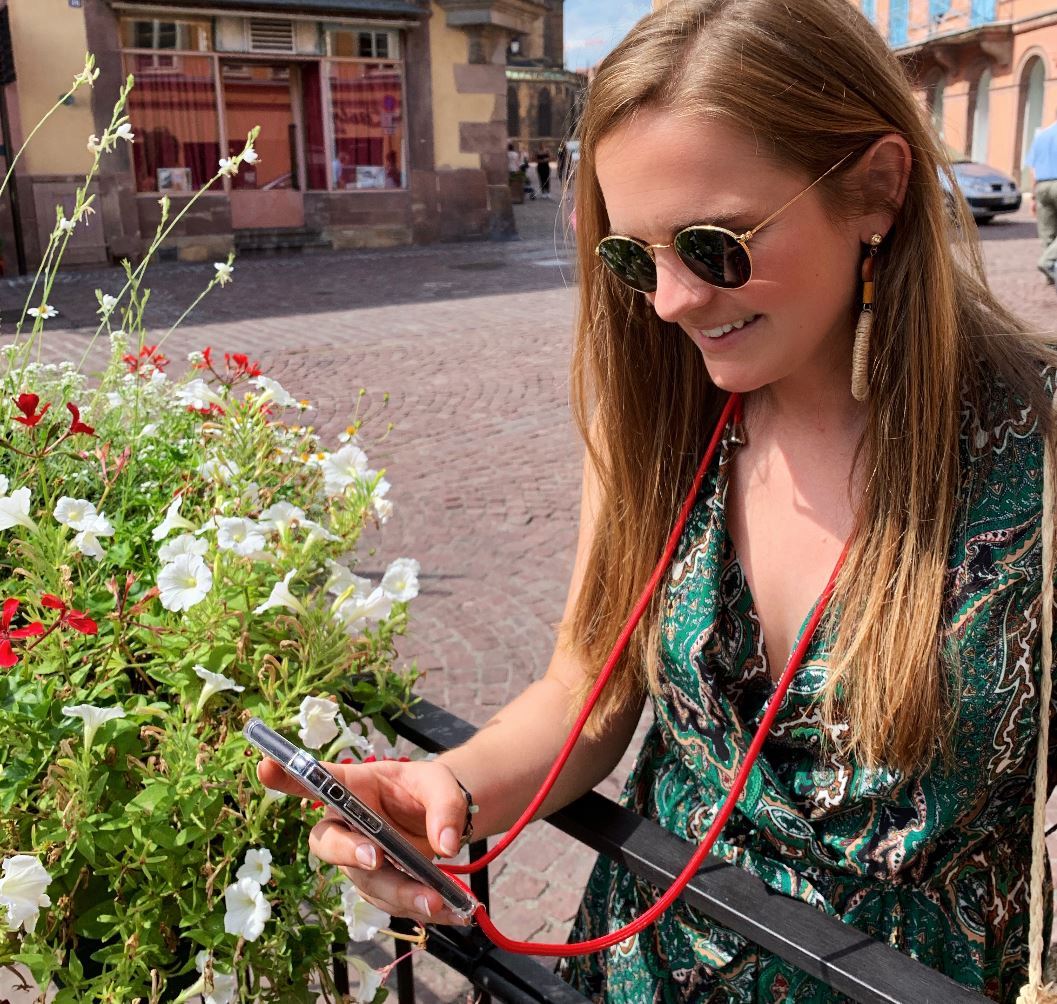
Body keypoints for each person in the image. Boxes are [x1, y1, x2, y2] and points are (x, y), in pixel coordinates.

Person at [260, 1, 1056, 1001]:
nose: (671, 301)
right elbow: (584, 687)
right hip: (642, 968)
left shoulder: (1039, 451)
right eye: (633, 257)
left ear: (875, 188)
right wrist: (450, 787)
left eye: (714, 245)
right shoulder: (663, 417)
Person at [1025, 112, 1057, 287]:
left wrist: (1033, 196)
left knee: (1047, 232)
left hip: (1042, 186)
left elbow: (1033, 169)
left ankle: (1050, 276)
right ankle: (1047, 261)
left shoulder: (1042, 136)